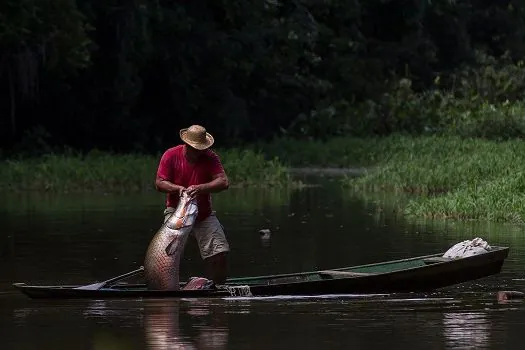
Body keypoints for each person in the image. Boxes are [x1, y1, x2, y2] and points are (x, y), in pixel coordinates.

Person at [155, 124, 230, 284]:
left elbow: (223, 182)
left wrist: (201, 188)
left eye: (202, 148)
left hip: (203, 214)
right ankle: (166, 286)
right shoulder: (171, 155)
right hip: (176, 213)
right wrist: (178, 189)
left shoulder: (210, 157)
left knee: (220, 252)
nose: (200, 151)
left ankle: (218, 289)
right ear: (187, 145)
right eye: (196, 148)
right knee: (165, 255)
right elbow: (159, 183)